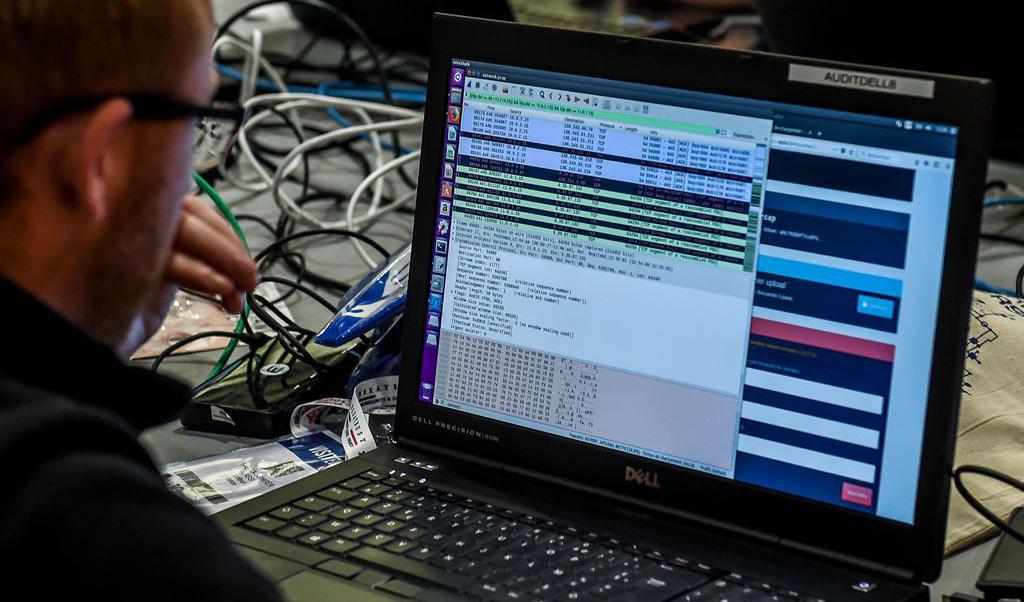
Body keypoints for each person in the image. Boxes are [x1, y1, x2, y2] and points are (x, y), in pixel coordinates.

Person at [0, 1, 280, 599]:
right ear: (101, 158)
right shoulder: (104, 539)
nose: (192, 188)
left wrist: (97, 318)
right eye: (197, 123)